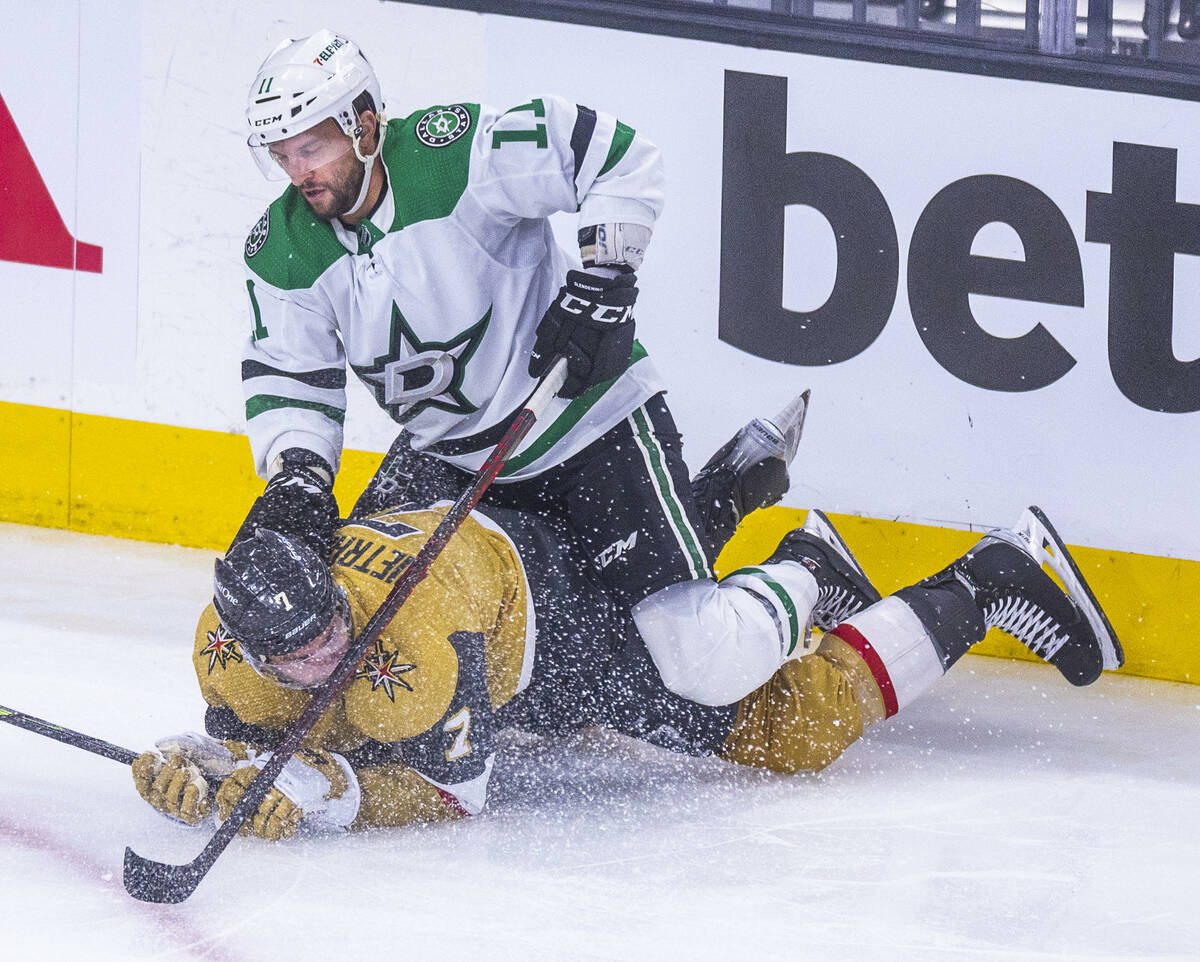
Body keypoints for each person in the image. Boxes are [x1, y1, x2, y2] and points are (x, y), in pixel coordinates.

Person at [233, 28, 824, 707]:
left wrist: (605, 279)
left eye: (312, 148)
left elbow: (619, 157)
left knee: (694, 666)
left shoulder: (452, 154)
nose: (298, 171)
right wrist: (299, 476)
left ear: (363, 126)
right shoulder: (279, 249)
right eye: (282, 155)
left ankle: (807, 566)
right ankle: (725, 492)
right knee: (369, 622)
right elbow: (288, 374)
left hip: (587, 425)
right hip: (449, 457)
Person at [132, 493, 1123, 840]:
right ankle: (810, 567)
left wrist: (326, 794)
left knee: (785, 732)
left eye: (332, 624)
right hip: (488, 579)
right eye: (301, 651)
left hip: (552, 617)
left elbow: (458, 791)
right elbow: (255, 741)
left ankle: (986, 577)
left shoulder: (409, 639)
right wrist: (193, 767)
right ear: (247, 648)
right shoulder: (225, 654)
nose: (330, 649)